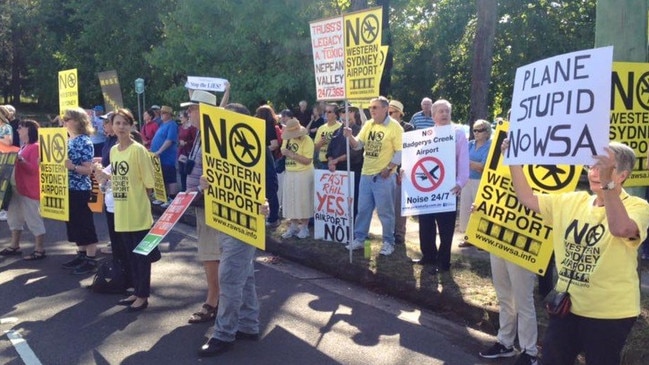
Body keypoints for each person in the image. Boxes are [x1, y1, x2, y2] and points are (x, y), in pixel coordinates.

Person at [507, 140, 649, 365]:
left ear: (621, 176)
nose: (594, 172)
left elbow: (621, 229)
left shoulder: (638, 206)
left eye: (602, 167)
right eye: (592, 166)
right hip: (566, 307)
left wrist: (607, 186)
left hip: (609, 314)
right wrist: (512, 159)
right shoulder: (573, 200)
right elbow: (527, 198)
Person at [198, 102, 267, 357]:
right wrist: (205, 186)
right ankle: (249, 326)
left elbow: (268, 186)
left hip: (245, 223)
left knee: (228, 277)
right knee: (244, 276)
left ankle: (223, 334)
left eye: (230, 119)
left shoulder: (256, 149)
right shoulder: (217, 153)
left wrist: (266, 208)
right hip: (224, 223)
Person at [182, 89, 227, 324]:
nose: (188, 112)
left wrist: (203, 187)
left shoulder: (212, 134)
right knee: (209, 253)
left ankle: (213, 302)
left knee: (211, 254)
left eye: (192, 108)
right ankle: (217, 299)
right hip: (199, 201)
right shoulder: (201, 134)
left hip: (209, 203)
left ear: (204, 110)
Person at [411, 99, 469, 272]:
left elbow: (463, 161)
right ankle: (428, 256)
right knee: (426, 224)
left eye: (447, 111)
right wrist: (406, 174)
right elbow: (417, 159)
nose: (444, 114)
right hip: (427, 188)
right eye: (441, 111)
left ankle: (444, 262)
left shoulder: (458, 134)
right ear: (434, 115)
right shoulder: (426, 135)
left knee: (446, 228)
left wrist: (460, 183)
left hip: (448, 188)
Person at [108, 108, 156, 311]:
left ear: (131, 126)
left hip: (138, 212)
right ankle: (136, 291)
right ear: (112, 126)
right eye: (117, 123)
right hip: (121, 212)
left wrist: (140, 201)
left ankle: (143, 295)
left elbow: (149, 182)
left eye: (124, 123)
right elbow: (117, 179)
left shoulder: (138, 150)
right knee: (129, 256)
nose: (120, 127)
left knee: (141, 257)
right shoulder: (113, 150)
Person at [343, 96, 403, 256]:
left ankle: (388, 242)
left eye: (375, 107)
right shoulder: (368, 124)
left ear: (385, 108)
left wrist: (389, 168)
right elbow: (358, 146)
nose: (372, 110)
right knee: (363, 210)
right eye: (370, 108)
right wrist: (349, 136)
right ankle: (359, 239)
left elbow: (401, 151)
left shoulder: (395, 127)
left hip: (384, 176)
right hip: (366, 174)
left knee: (385, 212)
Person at [60, 107, 101, 275]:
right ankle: (82, 254)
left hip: (79, 188)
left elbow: (88, 169)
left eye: (67, 118)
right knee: (74, 223)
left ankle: (91, 258)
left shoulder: (84, 141)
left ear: (77, 121)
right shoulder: (68, 139)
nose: (64, 121)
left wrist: (72, 166)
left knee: (84, 223)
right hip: (67, 188)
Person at [0, 120, 46, 260]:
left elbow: (36, 170)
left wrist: (21, 161)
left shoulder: (36, 147)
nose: (18, 130)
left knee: (33, 217)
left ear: (29, 130)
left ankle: (39, 249)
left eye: (21, 128)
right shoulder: (24, 146)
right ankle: (15, 245)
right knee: (14, 217)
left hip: (28, 188)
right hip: (16, 187)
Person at [458, 119, 492, 248]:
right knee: (466, 209)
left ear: (487, 132)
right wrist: (470, 163)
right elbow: (460, 159)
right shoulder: (470, 144)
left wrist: (467, 162)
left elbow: (483, 167)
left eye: (480, 130)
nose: (477, 133)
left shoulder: (490, 146)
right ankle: (468, 238)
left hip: (481, 182)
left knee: (479, 210)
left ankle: (481, 240)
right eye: (475, 130)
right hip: (467, 180)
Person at [326, 105, 364, 220]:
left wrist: (336, 160)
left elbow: (355, 152)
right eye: (342, 112)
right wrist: (330, 161)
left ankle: (354, 227)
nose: (345, 114)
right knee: (339, 199)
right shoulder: (337, 131)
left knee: (354, 199)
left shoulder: (359, 130)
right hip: (337, 171)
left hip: (353, 170)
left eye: (349, 111)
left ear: (354, 113)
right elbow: (330, 150)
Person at [280, 118, 314, 239]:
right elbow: (283, 150)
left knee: (304, 201)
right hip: (290, 172)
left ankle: (304, 227)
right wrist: (286, 153)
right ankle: (293, 225)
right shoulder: (287, 139)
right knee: (291, 201)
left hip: (303, 173)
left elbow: (308, 160)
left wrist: (291, 154)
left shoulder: (307, 140)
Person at [388, 100, 413, 245]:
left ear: (400, 114)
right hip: (387, 169)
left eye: (391, 113)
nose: (389, 115)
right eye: (388, 113)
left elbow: (408, 150)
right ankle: (389, 231)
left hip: (402, 171)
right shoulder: (385, 127)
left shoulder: (408, 128)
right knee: (386, 204)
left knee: (399, 205)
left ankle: (399, 233)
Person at [254, 105, 281, 228]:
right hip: (262, 160)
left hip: (267, 160)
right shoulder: (263, 126)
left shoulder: (268, 126)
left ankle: (273, 218)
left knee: (270, 189)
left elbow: (274, 144)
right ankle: (268, 216)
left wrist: (261, 151)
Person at [150, 105, 179, 207]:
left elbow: (169, 140)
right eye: (161, 112)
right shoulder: (162, 125)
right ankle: (162, 197)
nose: (161, 114)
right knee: (161, 178)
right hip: (158, 157)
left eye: (164, 113)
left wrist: (159, 151)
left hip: (167, 157)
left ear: (169, 115)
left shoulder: (172, 125)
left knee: (169, 178)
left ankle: (172, 198)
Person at [314, 103, 342, 170]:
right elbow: (315, 148)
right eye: (325, 111)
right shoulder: (321, 128)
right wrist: (321, 142)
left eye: (329, 112)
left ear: (336, 114)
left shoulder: (341, 127)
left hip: (336, 163)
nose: (326, 113)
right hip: (322, 163)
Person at [177, 110, 198, 192]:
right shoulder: (180, 127)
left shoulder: (192, 128)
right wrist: (180, 142)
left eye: (181, 117)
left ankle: (188, 190)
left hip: (188, 152)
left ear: (186, 118)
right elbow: (178, 138)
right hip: (181, 152)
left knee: (187, 172)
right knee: (181, 172)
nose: (180, 118)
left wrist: (186, 143)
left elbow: (195, 140)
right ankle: (183, 190)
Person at [0, 105, 14, 221]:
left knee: (4, 184)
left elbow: (8, 141)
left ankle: (5, 209)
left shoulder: (6, 127)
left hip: (4, 157)